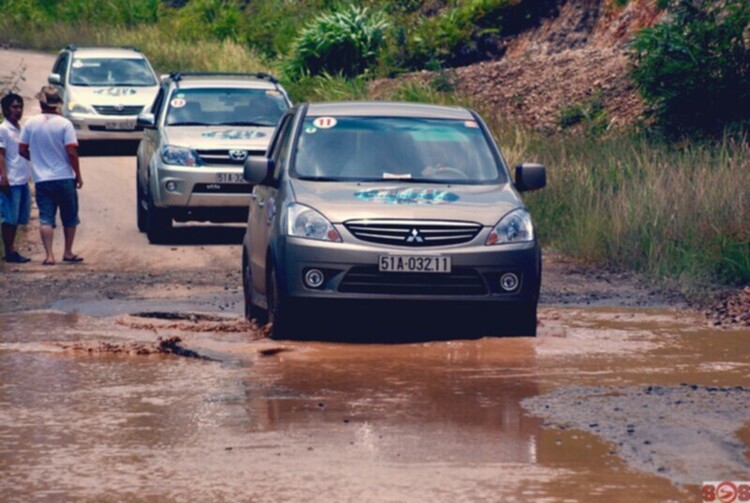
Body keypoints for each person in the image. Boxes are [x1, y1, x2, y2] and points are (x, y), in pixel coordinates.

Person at [19, 86, 84, 265]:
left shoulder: (31, 124)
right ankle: (68, 252)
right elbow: (71, 152)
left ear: (41, 103)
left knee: (46, 217)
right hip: (64, 177)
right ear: (56, 104)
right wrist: (78, 174)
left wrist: (36, 160)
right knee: (69, 216)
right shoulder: (65, 124)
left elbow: (22, 149)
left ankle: (49, 255)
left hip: (42, 179)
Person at [0, 93, 32, 263]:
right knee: (9, 218)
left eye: (20, 106)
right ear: (5, 110)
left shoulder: (20, 129)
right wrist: (3, 176)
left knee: (19, 218)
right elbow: (1, 154)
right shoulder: (3, 129)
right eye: (14, 107)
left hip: (22, 179)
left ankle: (12, 249)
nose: (18, 110)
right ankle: (9, 251)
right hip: (10, 180)